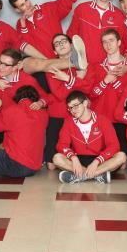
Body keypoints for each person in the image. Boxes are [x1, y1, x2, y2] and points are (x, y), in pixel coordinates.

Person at [53, 91, 127, 183]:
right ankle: (98, 175)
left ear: (85, 103)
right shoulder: (68, 122)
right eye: (70, 108)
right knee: (57, 158)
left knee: (122, 156)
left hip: (100, 160)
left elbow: (114, 145)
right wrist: (73, 158)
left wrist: (97, 161)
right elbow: (62, 145)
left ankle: (81, 176)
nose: (73, 111)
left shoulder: (103, 120)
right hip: (79, 159)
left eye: (76, 106)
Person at [45, 34, 93, 169]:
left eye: (63, 41)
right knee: (51, 166)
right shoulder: (52, 68)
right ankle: (79, 171)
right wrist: (76, 81)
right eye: (56, 44)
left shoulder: (84, 64)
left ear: (71, 45)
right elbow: (60, 94)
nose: (60, 44)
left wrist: (67, 79)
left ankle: (81, 171)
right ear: (54, 51)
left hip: (79, 116)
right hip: (57, 114)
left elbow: (88, 90)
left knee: (82, 156)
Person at [9, 0, 91, 59]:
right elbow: (28, 46)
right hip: (45, 64)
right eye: (22, 5)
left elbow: (63, 3)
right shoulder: (21, 24)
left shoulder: (47, 8)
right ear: (17, 10)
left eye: (26, 0)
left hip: (63, 57)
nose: (27, 5)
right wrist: (23, 22)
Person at [89, 29, 127, 160]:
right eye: (104, 42)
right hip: (101, 119)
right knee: (100, 158)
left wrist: (115, 83)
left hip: (121, 119)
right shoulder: (96, 67)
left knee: (122, 161)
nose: (108, 45)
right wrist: (105, 82)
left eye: (111, 41)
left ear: (119, 42)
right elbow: (92, 95)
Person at [0, 49, 52, 146]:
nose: (0, 67)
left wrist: (39, 103)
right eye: (0, 62)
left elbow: (45, 97)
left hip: (20, 126)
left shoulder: (28, 80)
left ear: (17, 66)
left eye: (6, 65)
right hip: (1, 122)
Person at [67, 0, 127, 64]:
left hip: (106, 66)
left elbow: (121, 43)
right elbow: (71, 35)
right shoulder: (82, 9)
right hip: (83, 64)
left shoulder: (119, 15)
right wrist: (75, 59)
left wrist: (116, 64)